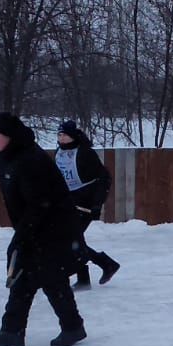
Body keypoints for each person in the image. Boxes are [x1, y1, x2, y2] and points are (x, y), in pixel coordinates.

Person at [0, 113, 87, 346]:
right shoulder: (9, 156)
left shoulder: (29, 160)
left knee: (48, 277)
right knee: (29, 278)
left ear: (9, 135)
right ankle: (13, 331)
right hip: (36, 226)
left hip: (52, 227)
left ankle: (69, 327)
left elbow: (40, 203)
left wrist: (21, 236)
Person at [55, 120, 120, 289]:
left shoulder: (85, 153)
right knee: (72, 240)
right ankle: (101, 267)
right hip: (66, 203)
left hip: (84, 204)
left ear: (73, 136)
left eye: (64, 135)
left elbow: (104, 178)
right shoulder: (59, 153)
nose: (61, 138)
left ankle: (98, 268)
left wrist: (97, 204)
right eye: (59, 135)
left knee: (70, 240)